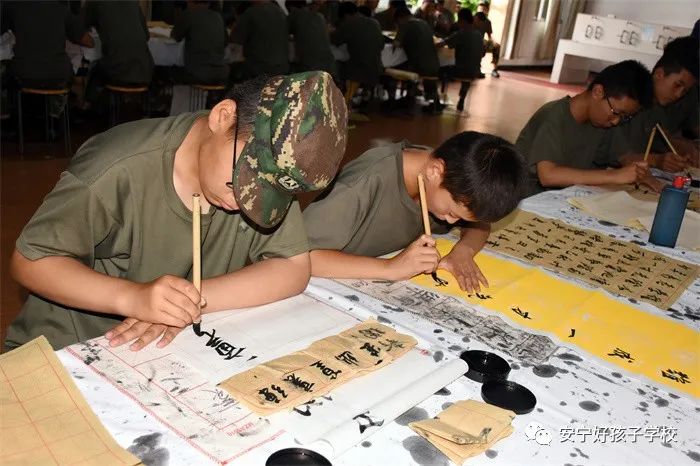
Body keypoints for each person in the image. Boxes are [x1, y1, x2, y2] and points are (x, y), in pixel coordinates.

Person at [6, 71, 348, 352]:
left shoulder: (272, 174)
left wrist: (185, 302)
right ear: (222, 116)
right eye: (243, 181)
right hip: (70, 345)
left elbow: (292, 266)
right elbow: (30, 261)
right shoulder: (117, 168)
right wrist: (133, 298)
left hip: (163, 354)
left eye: (269, 194)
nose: (246, 202)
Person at [303, 132, 527, 292]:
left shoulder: (442, 182)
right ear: (435, 171)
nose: (451, 221)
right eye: (451, 213)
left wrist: (463, 251)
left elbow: (479, 225)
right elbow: (302, 257)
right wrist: (390, 268)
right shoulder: (362, 184)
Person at [515, 60, 655, 196]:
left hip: (564, 196)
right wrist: (615, 175)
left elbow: (623, 156)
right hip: (527, 196)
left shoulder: (603, 121)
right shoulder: (554, 115)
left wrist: (639, 171)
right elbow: (548, 175)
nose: (616, 121)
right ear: (598, 92)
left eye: (625, 117)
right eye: (617, 113)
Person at [611, 36, 699, 171]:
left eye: (685, 91)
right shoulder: (626, 98)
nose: (678, 95)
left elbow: (664, 141)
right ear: (659, 74)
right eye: (677, 85)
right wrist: (656, 160)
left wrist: (680, 152)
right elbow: (617, 155)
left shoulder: (658, 111)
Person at [1, 0, 91, 88]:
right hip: (58, 74)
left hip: (23, 73)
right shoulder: (61, 9)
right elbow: (89, 42)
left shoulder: (13, 5)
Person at [83, 1, 154, 97]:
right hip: (144, 71)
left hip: (115, 70)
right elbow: (146, 36)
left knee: (93, 73)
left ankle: (89, 103)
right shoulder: (133, 2)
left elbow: (80, 25)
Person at [395, 5, 442, 112]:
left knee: (398, 65)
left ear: (400, 19)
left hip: (418, 67)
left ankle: (405, 98)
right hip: (435, 64)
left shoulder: (405, 25)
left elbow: (396, 44)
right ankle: (433, 101)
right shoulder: (424, 23)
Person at [171, 0, 229, 84]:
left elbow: (176, 36)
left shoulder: (189, 14)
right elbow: (225, 41)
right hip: (222, 72)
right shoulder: (218, 16)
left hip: (197, 73)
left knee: (165, 70)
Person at [438, 8, 483, 111]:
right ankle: (462, 99)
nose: (458, 22)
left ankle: (437, 99)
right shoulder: (479, 35)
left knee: (438, 70)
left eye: (459, 20)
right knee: (467, 72)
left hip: (459, 70)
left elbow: (443, 43)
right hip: (475, 71)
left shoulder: (461, 33)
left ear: (463, 21)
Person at [332, 2, 385, 87]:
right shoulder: (375, 22)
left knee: (334, 63)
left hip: (357, 72)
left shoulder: (348, 23)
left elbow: (335, 41)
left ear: (345, 15)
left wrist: (331, 31)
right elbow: (382, 45)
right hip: (377, 70)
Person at [231, 0, 289, 77]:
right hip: (282, 67)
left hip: (259, 68)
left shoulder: (251, 13)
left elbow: (236, 38)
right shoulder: (281, 12)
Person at [287, 0, 337, 77]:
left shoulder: (295, 15)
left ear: (291, 8)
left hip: (310, 67)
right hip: (329, 66)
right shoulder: (320, 16)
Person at [473, 3, 500, 78]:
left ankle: (494, 69)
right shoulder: (472, 19)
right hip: (473, 40)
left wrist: (492, 42)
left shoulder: (488, 22)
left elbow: (489, 35)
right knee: (481, 45)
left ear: (487, 11)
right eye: (480, 9)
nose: (482, 11)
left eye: (484, 9)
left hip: (481, 40)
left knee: (497, 46)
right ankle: (476, 68)